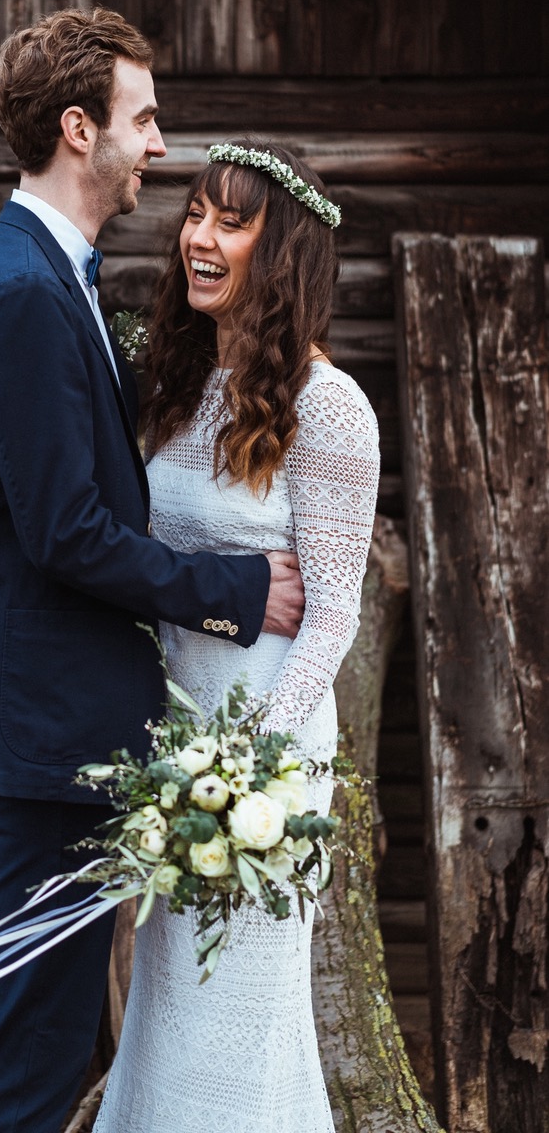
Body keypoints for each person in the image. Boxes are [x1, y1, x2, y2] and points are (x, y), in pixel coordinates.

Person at [0, 13, 305, 1133]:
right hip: (49, 729)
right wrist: (240, 592)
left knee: (44, 1028)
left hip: (60, 721)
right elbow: (66, 531)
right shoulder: (23, 296)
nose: (159, 143)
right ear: (78, 126)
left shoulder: (54, 277)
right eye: (143, 119)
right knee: (30, 1041)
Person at [92, 140, 380, 1133]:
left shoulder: (327, 407)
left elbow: (335, 608)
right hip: (176, 748)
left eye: (231, 221)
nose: (200, 240)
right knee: (165, 1008)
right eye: (195, 215)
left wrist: (249, 755)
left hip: (262, 763)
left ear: (283, 249)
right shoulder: (174, 385)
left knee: (241, 1012)